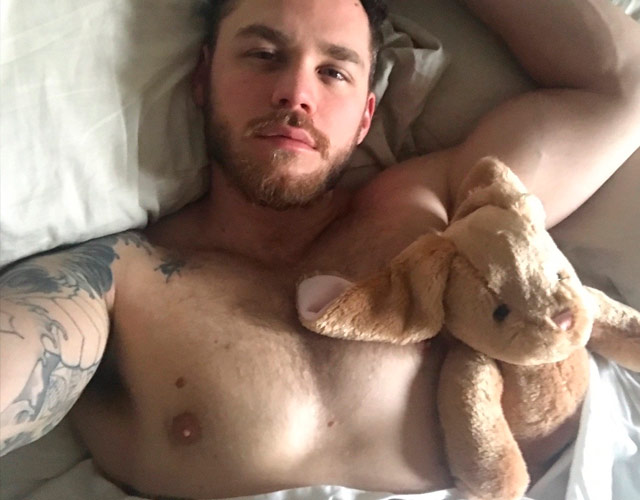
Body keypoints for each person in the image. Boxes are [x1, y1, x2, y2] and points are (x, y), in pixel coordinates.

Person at [1, 0, 639, 498]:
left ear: (365, 116)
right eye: (263, 55)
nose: (295, 93)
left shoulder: (444, 205)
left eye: (333, 71)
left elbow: (622, 86)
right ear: (202, 79)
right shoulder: (121, 279)